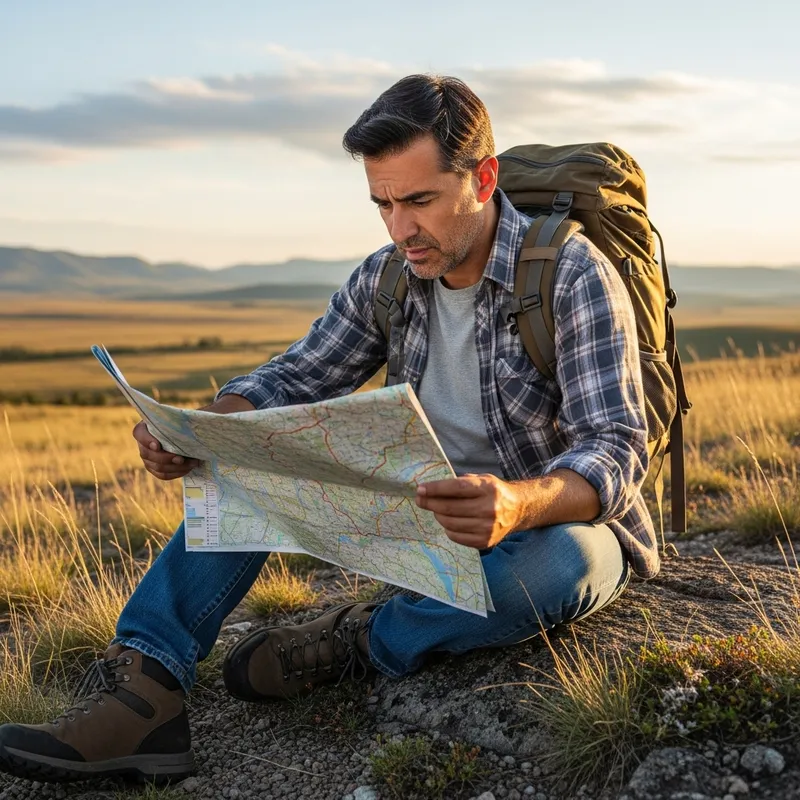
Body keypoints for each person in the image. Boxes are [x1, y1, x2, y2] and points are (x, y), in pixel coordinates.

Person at [0, 74, 658, 784]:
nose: (400, 229)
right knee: (246, 454)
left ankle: (356, 641)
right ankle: (145, 692)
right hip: (426, 522)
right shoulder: (389, 277)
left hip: (547, 525)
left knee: (565, 565)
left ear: (483, 179)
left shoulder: (572, 274)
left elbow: (616, 447)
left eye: (419, 201)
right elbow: (295, 378)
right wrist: (205, 430)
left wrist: (516, 504)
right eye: (382, 204)